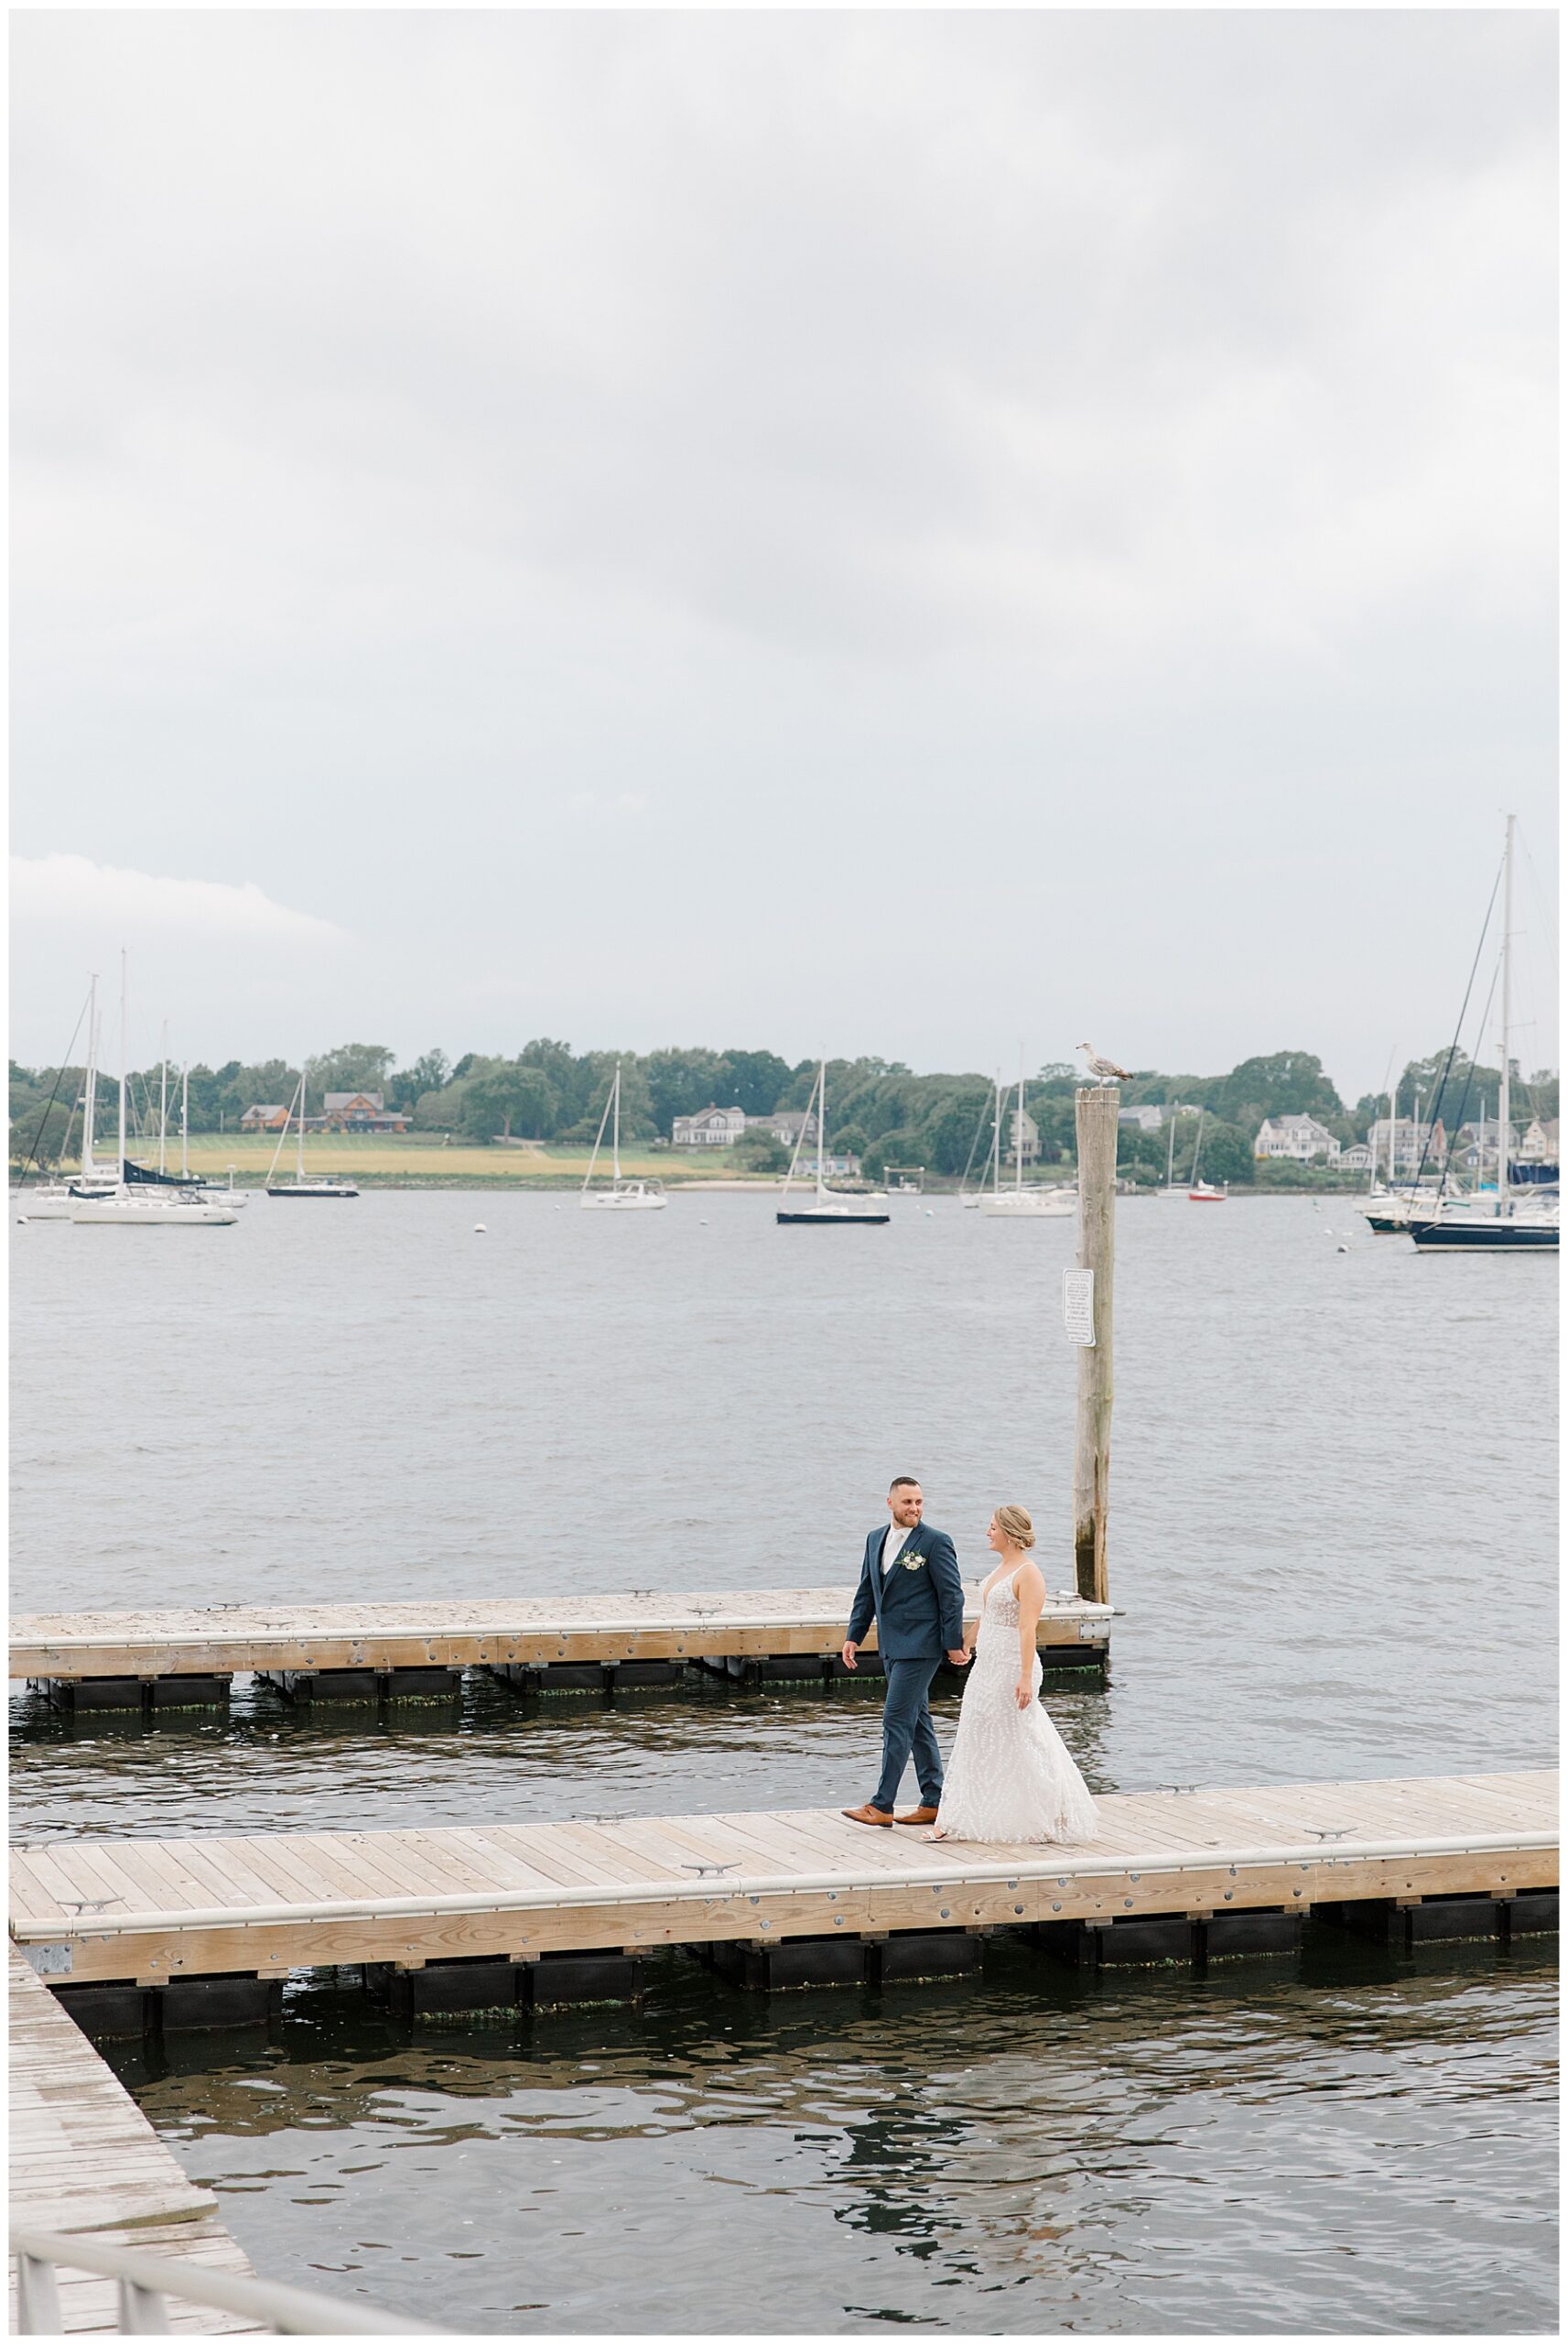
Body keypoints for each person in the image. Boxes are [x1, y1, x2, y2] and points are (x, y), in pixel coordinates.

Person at [925, 1503, 1097, 1844]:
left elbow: (1027, 1629)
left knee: (1021, 1736)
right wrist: (966, 1645)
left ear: (1010, 1532)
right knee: (974, 1733)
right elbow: (986, 1614)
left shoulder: (1029, 1573)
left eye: (992, 1527)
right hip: (986, 1666)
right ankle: (955, 1816)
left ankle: (1052, 1809)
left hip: (1013, 1666)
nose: (987, 1533)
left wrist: (1025, 1676)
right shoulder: (1000, 1569)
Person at [840, 1476, 968, 1828]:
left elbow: (952, 1596)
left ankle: (882, 1805)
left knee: (895, 1719)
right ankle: (934, 1799)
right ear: (891, 1503)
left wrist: (952, 1642)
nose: (915, 1508)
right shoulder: (874, 1539)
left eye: (919, 1502)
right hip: (890, 1645)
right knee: (918, 1722)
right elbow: (867, 1591)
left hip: (921, 1646)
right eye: (908, 1502)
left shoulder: (936, 1542)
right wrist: (855, 1635)